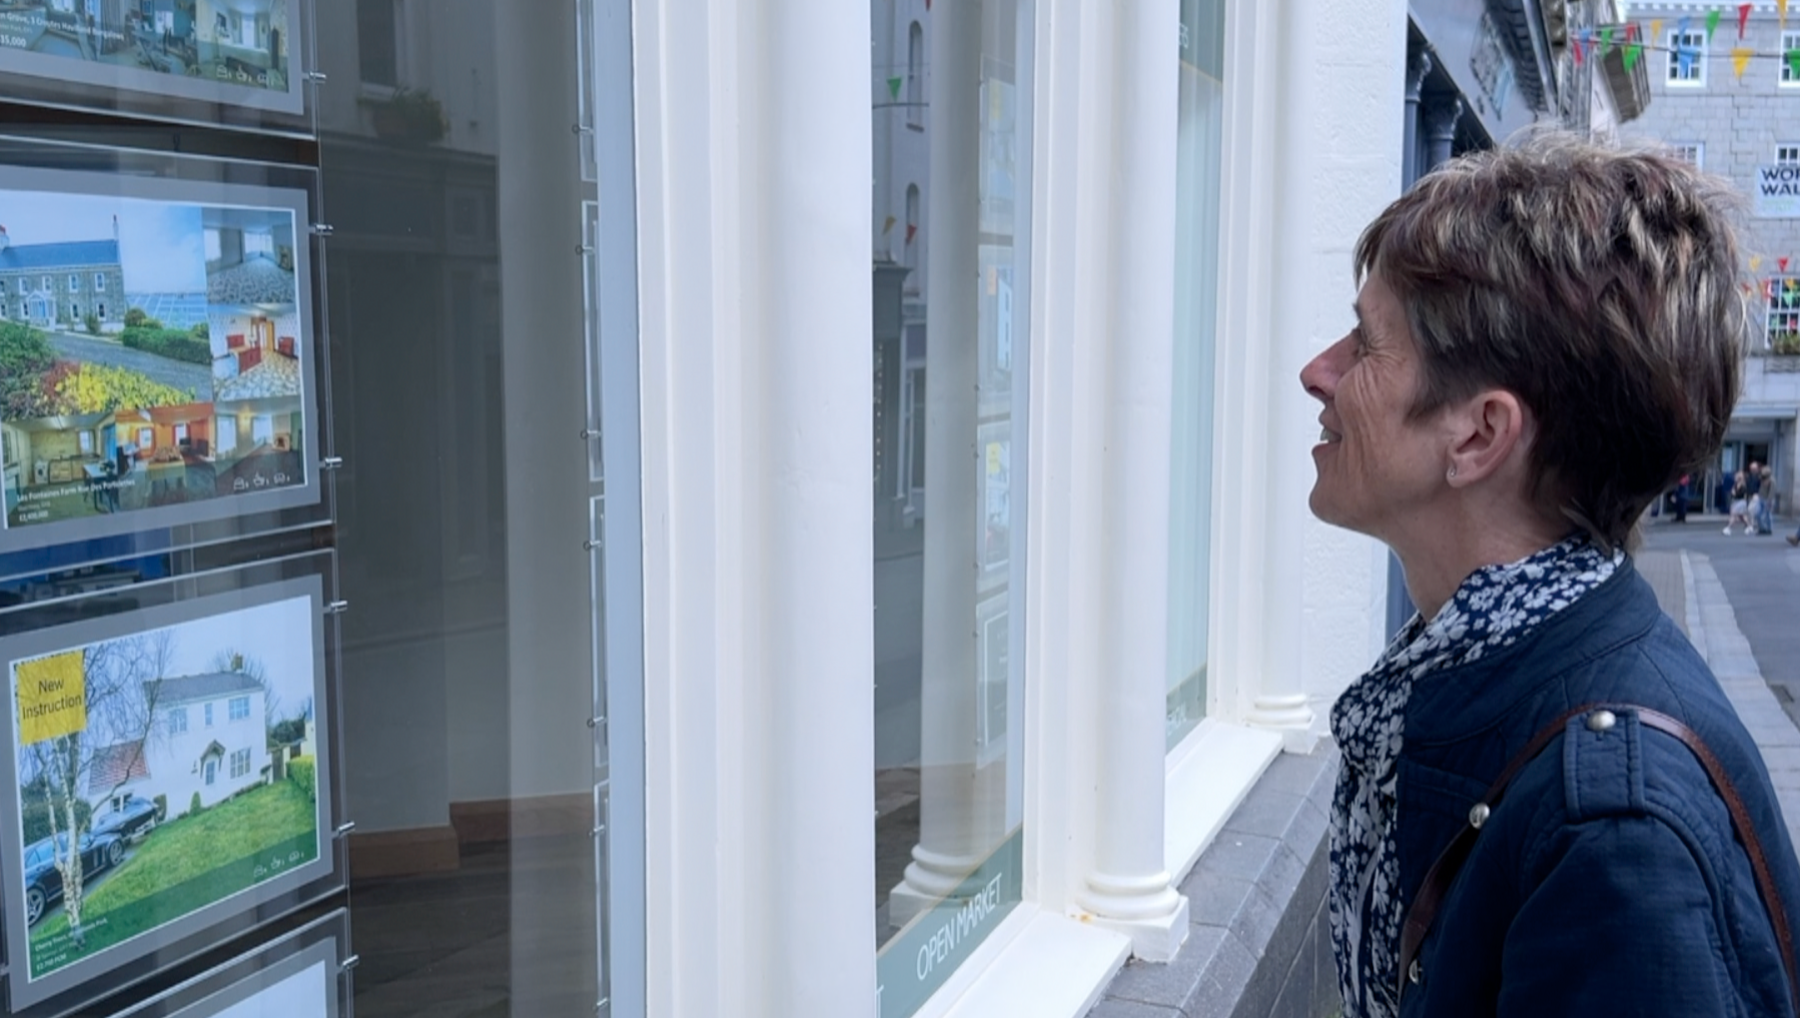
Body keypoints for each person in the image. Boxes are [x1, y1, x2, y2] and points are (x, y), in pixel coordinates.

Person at [1301, 132, 1800, 1018]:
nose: (1319, 373)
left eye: (1366, 344)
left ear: (1481, 435)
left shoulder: (1613, 833)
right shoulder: (1494, 676)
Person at [1728, 469, 1753, 535]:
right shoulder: (1736, 484)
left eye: (1739, 475)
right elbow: (1732, 492)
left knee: (1734, 515)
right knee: (1742, 516)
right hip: (1736, 501)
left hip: (1741, 501)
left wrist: (1734, 493)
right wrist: (1733, 492)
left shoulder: (1743, 485)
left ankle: (1728, 528)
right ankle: (1749, 526)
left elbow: (1741, 493)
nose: (1737, 476)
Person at [1760, 464, 1777, 534]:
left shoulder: (1771, 480)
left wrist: (1769, 500)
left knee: (1768, 515)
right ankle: (1762, 528)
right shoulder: (1763, 479)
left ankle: (1769, 529)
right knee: (1760, 514)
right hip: (1762, 498)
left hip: (1768, 499)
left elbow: (1772, 491)